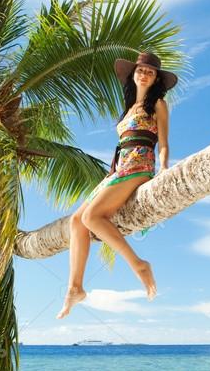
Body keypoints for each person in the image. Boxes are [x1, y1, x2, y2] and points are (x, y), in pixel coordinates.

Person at [56, 51, 177, 319]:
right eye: (140, 70)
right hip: (119, 169)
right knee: (77, 221)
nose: (144, 74)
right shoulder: (129, 109)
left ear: (156, 78)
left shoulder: (158, 104)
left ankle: (138, 264)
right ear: (133, 74)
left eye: (150, 71)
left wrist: (165, 167)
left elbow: (164, 143)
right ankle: (75, 288)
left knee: (91, 216)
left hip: (140, 164)